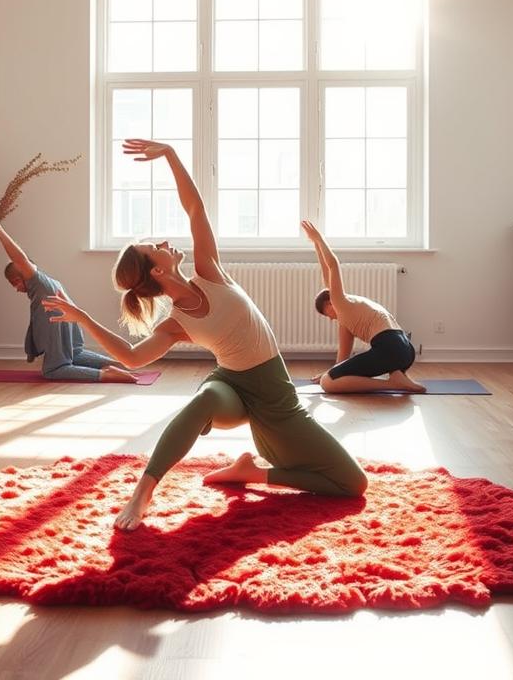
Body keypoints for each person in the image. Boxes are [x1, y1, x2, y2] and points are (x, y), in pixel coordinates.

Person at [42, 139, 368, 531]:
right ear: (157, 272)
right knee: (205, 397)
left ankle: (250, 473)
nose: (164, 241)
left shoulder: (208, 271)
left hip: (277, 400)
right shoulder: (176, 323)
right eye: (155, 247)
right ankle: (143, 491)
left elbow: (194, 207)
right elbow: (131, 358)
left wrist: (171, 156)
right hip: (232, 387)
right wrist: (82, 318)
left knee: (354, 483)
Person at [0, 212, 138, 383]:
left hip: (58, 324)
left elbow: (20, 259)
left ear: (24, 274)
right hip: (68, 327)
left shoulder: (37, 282)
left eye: (16, 283)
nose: (16, 289)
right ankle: (117, 365)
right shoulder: (51, 283)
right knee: (75, 354)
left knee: (53, 369)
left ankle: (105, 374)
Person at [301, 220, 426, 394]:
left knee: (328, 384)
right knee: (329, 378)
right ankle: (398, 376)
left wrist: (319, 240)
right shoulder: (349, 315)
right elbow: (341, 361)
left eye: (326, 313)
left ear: (330, 302)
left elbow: (331, 266)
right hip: (406, 351)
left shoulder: (342, 303)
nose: (329, 318)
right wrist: (328, 373)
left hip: (389, 348)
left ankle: (393, 384)